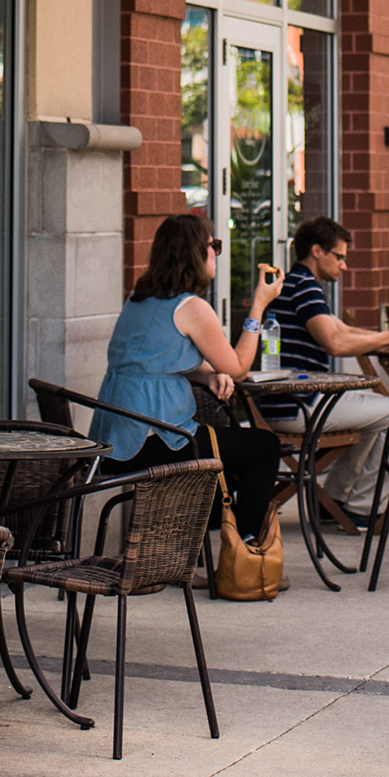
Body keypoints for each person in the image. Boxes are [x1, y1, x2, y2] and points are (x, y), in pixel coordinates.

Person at [91, 213, 283, 542]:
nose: (216, 255)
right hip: (157, 439)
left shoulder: (139, 297)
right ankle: (244, 546)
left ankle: (197, 545)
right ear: (196, 252)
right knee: (264, 447)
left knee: (232, 452)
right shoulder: (192, 307)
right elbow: (238, 367)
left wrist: (206, 376)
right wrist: (258, 307)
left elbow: (151, 363)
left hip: (115, 438)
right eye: (214, 246)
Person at [263, 216, 389, 528]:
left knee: (374, 418)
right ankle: (364, 509)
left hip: (283, 401)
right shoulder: (306, 287)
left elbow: (343, 329)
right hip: (295, 406)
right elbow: (335, 343)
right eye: (340, 257)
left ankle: (332, 501)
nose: (344, 266)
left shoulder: (295, 283)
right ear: (317, 251)